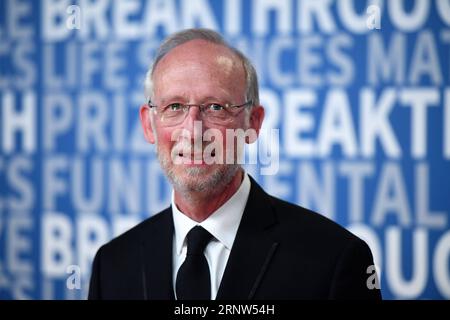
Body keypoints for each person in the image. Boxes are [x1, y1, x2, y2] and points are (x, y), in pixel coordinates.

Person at [88, 28, 382, 300]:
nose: (194, 132)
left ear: (253, 123)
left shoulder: (334, 260)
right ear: (149, 124)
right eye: (174, 107)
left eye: (216, 107)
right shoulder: (112, 265)